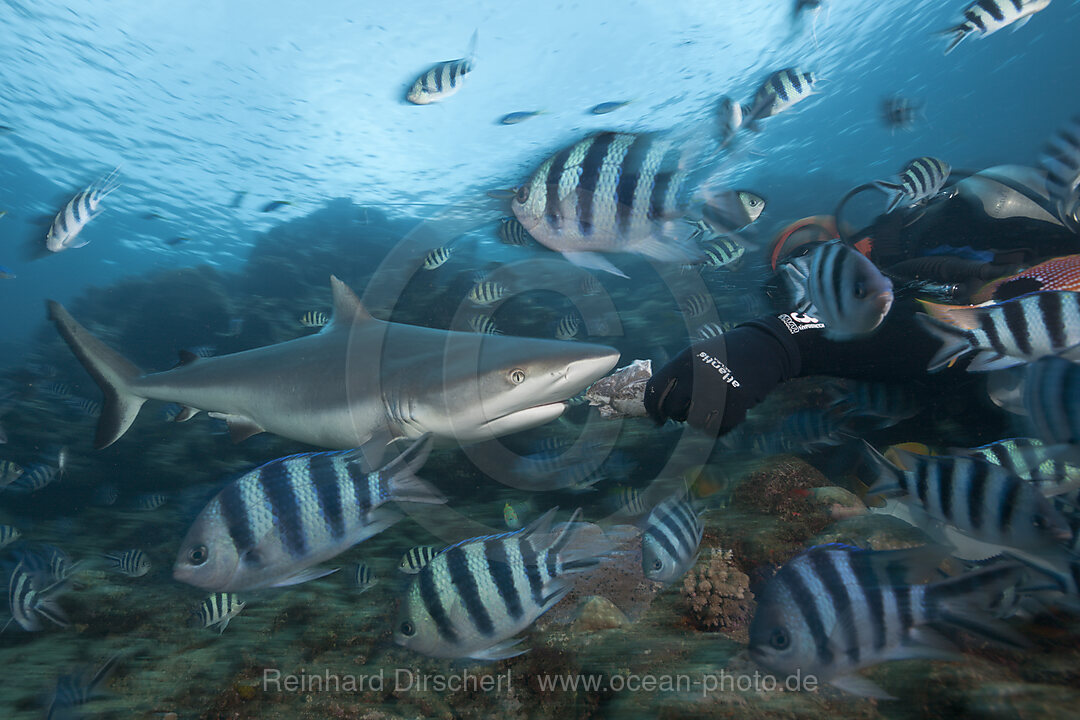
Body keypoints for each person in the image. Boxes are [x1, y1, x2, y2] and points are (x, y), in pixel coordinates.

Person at [643, 165, 1078, 436]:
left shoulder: (954, 215)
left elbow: (1047, 295)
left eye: (807, 254)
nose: (805, 280)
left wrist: (779, 341)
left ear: (841, 233)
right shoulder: (888, 330)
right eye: (787, 278)